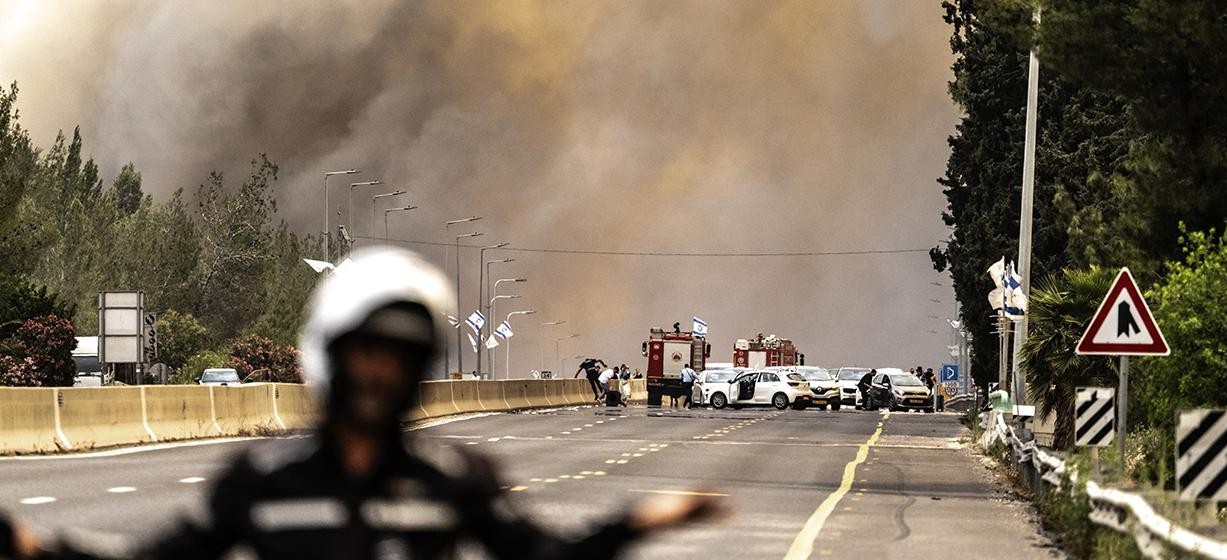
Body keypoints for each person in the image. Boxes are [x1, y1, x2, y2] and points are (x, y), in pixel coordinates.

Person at [0, 248, 723, 560]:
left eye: (398, 360)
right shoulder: (263, 483)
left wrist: (635, 522)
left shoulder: (450, 481)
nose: (378, 377)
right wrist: (34, 545)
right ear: (331, 358)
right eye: (365, 355)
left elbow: (539, 554)